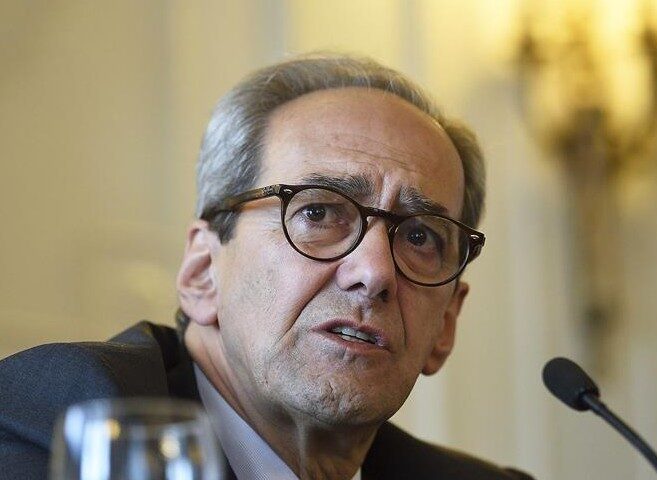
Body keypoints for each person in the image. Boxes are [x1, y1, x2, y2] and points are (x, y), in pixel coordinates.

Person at [0, 54, 533, 479]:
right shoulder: (60, 415)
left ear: (447, 324)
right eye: (318, 213)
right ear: (202, 272)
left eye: (419, 236)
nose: (374, 272)